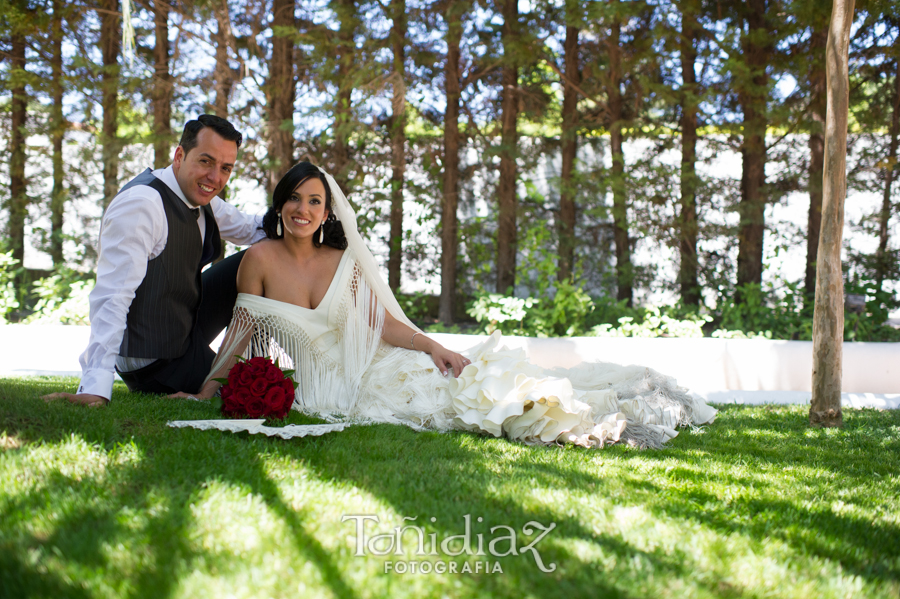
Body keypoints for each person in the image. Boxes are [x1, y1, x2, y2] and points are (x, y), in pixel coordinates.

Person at [176, 161, 717, 449]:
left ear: (327, 212)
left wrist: (433, 345)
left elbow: (382, 322)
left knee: (469, 390)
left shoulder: (342, 259)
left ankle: (619, 406)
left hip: (382, 365)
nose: (302, 208)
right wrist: (209, 390)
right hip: (333, 390)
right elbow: (241, 335)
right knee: (463, 412)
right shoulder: (260, 260)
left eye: (314, 201)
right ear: (281, 203)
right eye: (294, 197)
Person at [43, 115, 267, 407]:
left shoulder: (199, 196)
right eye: (205, 161)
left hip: (182, 327)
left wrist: (306, 219)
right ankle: (253, 371)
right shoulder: (143, 204)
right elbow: (112, 296)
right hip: (154, 360)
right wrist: (96, 386)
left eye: (225, 168)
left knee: (259, 256)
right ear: (179, 156)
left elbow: (251, 228)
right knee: (254, 391)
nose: (215, 177)